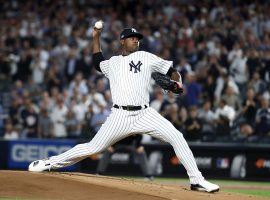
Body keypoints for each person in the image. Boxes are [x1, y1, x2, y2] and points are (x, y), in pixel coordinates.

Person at [28, 26, 219, 193]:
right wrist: (96, 36)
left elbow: (172, 71)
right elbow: (97, 61)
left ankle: (197, 180)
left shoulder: (146, 56)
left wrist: (177, 83)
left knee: (177, 137)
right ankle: (49, 163)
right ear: (122, 41)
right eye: (132, 37)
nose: (136, 39)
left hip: (145, 113)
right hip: (120, 115)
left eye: (138, 38)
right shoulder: (113, 63)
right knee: (93, 147)